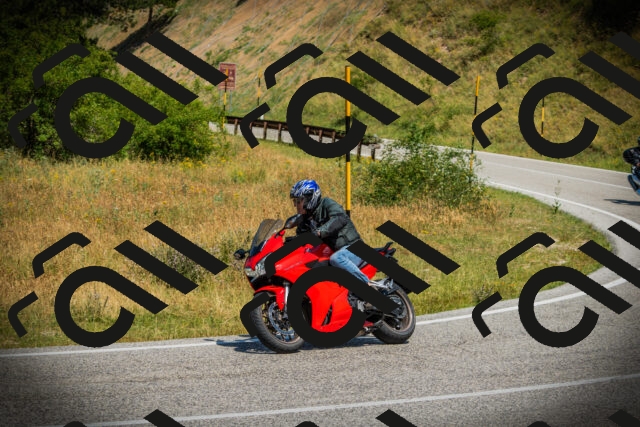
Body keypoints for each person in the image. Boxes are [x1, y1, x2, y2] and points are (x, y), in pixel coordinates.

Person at [289, 179, 383, 311]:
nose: (296, 205)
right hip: (337, 251)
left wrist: (321, 231)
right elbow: (301, 238)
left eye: (299, 201)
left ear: (310, 198)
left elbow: (340, 218)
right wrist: (287, 244)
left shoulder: (327, 204)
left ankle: (369, 289)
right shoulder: (307, 219)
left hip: (353, 248)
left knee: (336, 258)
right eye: (295, 201)